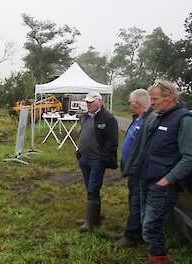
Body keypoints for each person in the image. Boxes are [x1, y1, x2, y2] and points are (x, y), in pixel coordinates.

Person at [138, 81, 192, 264]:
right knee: (147, 222)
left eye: (155, 99)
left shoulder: (184, 120)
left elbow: (189, 158)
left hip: (162, 185)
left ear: (169, 97)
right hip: (147, 180)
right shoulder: (160, 116)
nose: (151, 103)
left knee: (151, 226)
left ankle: (159, 259)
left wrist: (166, 180)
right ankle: (157, 254)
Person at [115, 89, 157, 247]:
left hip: (140, 171)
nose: (129, 104)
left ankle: (131, 236)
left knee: (136, 203)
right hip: (132, 170)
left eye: (129, 102)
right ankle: (134, 230)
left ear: (136, 103)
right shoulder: (138, 119)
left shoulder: (151, 120)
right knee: (133, 200)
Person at [77, 91, 118, 232]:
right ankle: (94, 217)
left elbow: (112, 141)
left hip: (97, 160)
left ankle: (90, 222)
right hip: (84, 158)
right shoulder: (85, 117)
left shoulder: (108, 118)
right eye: (87, 102)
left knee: (93, 188)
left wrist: (102, 159)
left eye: (91, 102)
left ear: (100, 101)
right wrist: (79, 152)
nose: (88, 105)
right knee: (90, 187)